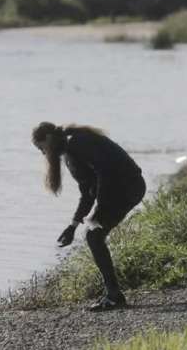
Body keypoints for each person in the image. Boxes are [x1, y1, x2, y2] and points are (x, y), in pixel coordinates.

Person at [31, 122, 147, 312]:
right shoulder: (70, 151)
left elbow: (104, 173)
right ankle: (112, 293)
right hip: (122, 189)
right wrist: (73, 226)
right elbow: (87, 193)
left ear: (49, 140)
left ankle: (114, 295)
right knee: (94, 236)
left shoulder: (78, 143)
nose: (43, 154)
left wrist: (100, 208)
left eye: (41, 148)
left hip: (128, 187)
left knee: (94, 236)